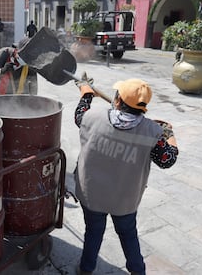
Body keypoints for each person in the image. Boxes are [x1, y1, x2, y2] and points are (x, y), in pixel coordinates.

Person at [73, 74, 179, 275]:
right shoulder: (151, 132)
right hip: (124, 200)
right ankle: (138, 271)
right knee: (128, 235)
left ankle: (86, 269)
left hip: (92, 194)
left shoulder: (93, 117)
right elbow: (168, 160)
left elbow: (79, 115)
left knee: (93, 232)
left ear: (118, 100)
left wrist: (86, 93)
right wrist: (169, 134)